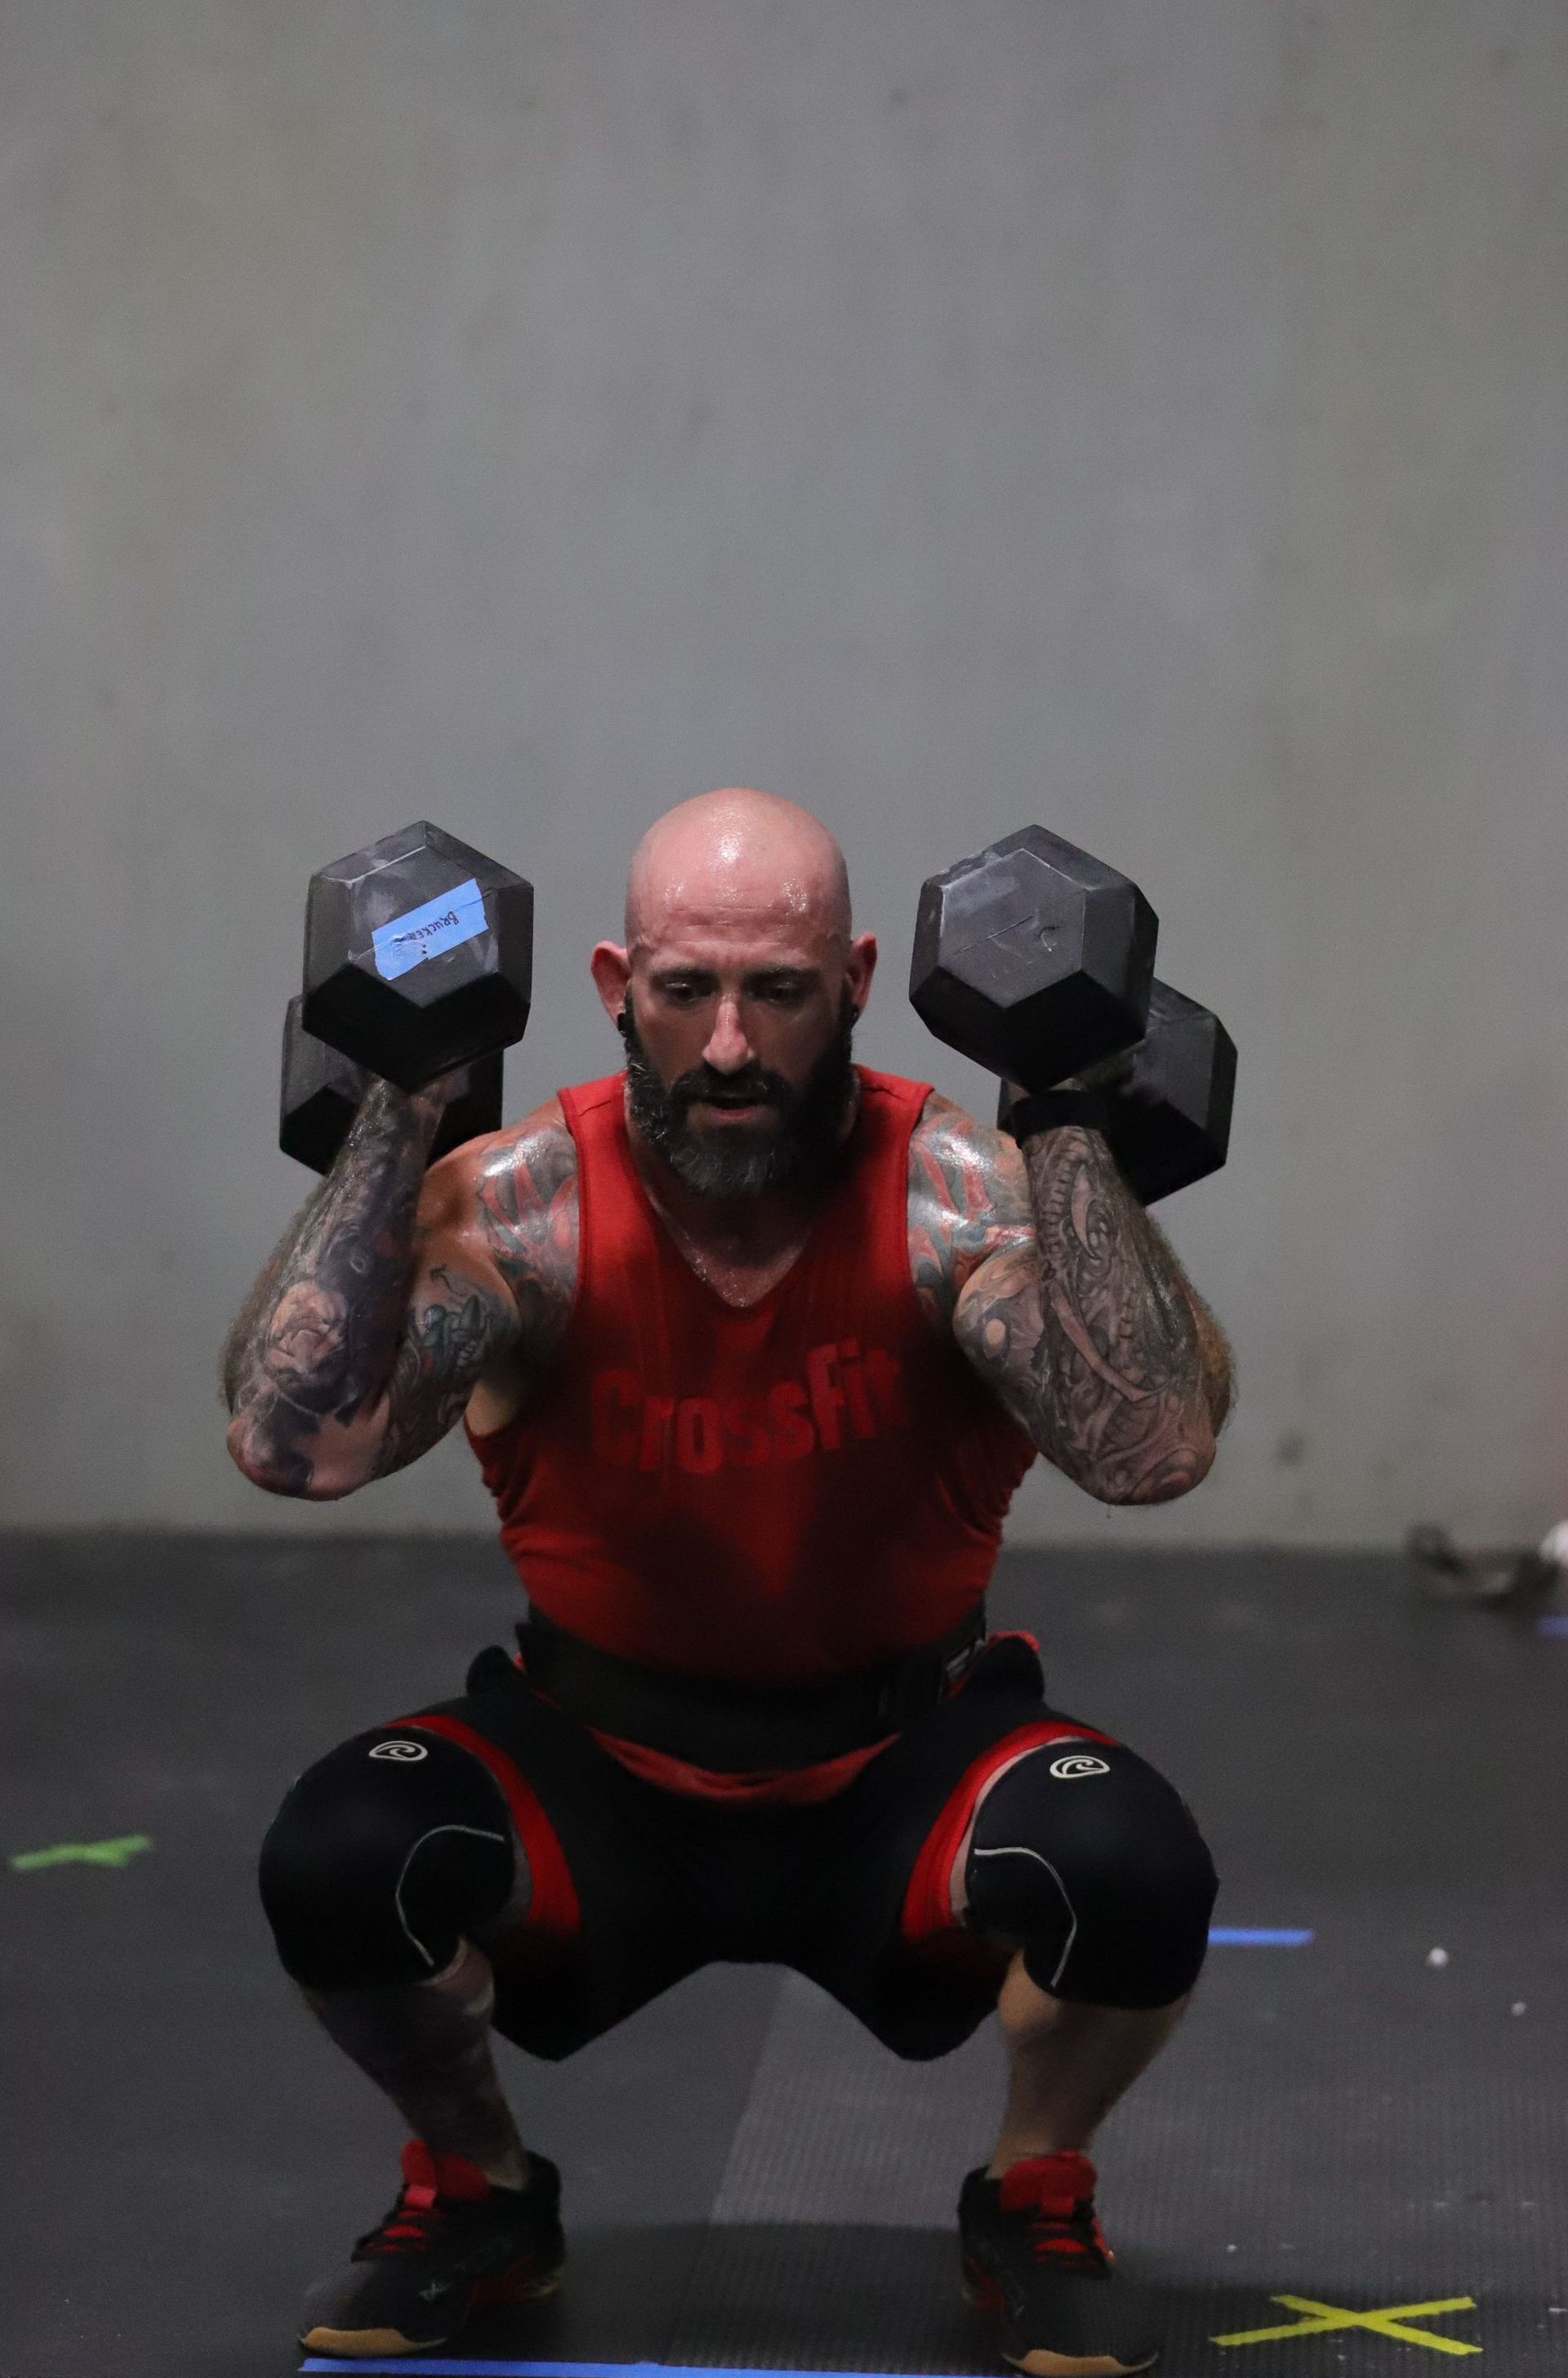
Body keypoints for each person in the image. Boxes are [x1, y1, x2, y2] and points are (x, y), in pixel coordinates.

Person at [224, 788, 1232, 2376]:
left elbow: (1153, 1447)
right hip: (599, 1764)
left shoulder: (955, 1191)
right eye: (688, 990)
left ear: (859, 979)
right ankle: (478, 2186)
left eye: (778, 988)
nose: (732, 1046)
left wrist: (1067, 1112)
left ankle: (1034, 2187)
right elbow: (301, 1447)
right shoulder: (522, 1207)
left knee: (1134, 1859)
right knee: (345, 1847)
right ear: (619, 983)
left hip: (896, 1759)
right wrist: (395, 1116)